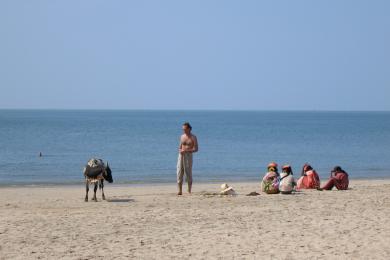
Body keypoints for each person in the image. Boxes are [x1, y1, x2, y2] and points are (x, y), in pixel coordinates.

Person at [176, 122, 198, 195]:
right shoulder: (182, 136)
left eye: (185, 129)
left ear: (189, 129)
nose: (183, 130)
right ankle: (180, 191)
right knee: (179, 172)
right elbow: (180, 147)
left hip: (188, 156)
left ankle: (189, 191)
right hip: (181, 155)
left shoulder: (193, 137)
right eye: (183, 129)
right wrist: (180, 150)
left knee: (188, 172)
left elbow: (196, 149)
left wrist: (186, 150)